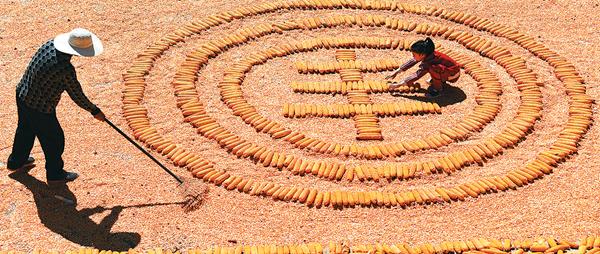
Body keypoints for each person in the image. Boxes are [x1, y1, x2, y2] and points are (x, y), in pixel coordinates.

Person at [6, 28, 106, 184]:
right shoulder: (65, 69)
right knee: (54, 139)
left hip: (23, 93)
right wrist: (94, 110)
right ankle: (55, 174)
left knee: (25, 129)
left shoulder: (50, 44)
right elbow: (76, 94)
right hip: (40, 107)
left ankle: (16, 162)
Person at [386, 37, 461, 98]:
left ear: (422, 55)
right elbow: (413, 60)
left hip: (453, 75)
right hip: (449, 70)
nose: (413, 56)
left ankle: (437, 90)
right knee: (434, 69)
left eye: (414, 54)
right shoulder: (429, 54)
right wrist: (397, 71)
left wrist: (399, 84)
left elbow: (417, 75)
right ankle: (440, 79)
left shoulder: (429, 63)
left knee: (433, 69)